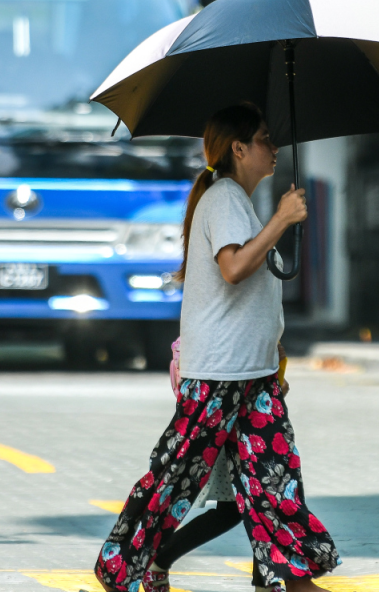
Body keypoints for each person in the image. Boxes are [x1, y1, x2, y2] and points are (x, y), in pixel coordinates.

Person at [93, 103, 338, 592]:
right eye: (265, 139)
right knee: (175, 476)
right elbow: (233, 268)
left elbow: (251, 296)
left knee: (273, 478)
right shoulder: (224, 198)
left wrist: (275, 353)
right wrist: (283, 219)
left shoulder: (238, 201)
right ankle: (121, 569)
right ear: (239, 148)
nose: (274, 148)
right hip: (219, 374)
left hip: (255, 373)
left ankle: (290, 579)